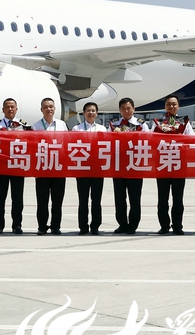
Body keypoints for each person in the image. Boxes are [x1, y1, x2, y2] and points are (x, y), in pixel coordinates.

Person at [153, 95, 195, 235]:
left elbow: (191, 139)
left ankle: (177, 225)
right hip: (163, 163)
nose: (171, 107)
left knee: (178, 198)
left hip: (178, 163)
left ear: (178, 106)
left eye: (174, 104)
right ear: (165, 106)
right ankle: (164, 226)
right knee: (162, 198)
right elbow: (152, 140)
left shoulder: (185, 122)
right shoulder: (157, 122)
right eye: (169, 104)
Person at [110, 97, 151, 234]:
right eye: (123, 108)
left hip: (135, 165)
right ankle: (122, 224)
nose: (126, 111)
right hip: (119, 165)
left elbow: (148, 142)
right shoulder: (113, 124)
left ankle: (133, 225)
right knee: (119, 197)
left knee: (135, 197)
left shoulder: (142, 124)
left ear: (133, 109)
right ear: (119, 110)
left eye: (128, 108)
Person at [33, 97, 68, 235]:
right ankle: (42, 226)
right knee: (42, 200)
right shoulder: (36, 126)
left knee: (57, 200)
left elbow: (67, 143)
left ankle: (55, 226)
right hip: (42, 168)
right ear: (41, 109)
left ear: (55, 109)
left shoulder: (62, 125)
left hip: (58, 167)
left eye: (51, 106)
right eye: (46, 107)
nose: (49, 109)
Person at [0, 98, 29, 234]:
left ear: (16, 109)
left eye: (12, 107)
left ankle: (17, 225)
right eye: (7, 107)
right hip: (1, 166)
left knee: (17, 198)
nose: (10, 109)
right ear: (3, 109)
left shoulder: (23, 126)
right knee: (0, 198)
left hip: (17, 165)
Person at [72, 101, 107, 235]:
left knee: (96, 200)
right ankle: (83, 226)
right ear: (83, 113)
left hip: (98, 169)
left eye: (93, 110)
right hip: (82, 168)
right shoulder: (77, 129)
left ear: (96, 113)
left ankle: (95, 226)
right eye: (88, 110)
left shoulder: (102, 129)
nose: (90, 113)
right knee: (83, 199)